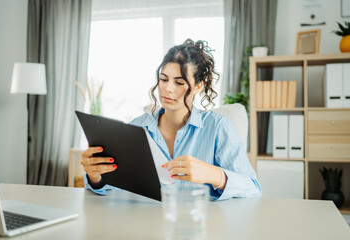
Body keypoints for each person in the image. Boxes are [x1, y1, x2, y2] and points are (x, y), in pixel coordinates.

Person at [81, 39, 261, 200]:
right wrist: (95, 176)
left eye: (179, 82)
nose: (167, 88)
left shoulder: (218, 127)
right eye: (163, 79)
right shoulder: (137, 127)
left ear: (198, 86)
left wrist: (215, 175)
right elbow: (112, 187)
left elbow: (253, 188)